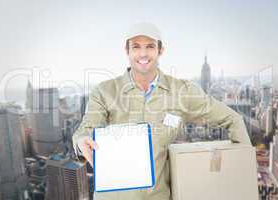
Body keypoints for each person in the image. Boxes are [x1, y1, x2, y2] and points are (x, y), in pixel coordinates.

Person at [73, 22, 252, 200]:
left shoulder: (182, 91)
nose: (143, 53)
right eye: (136, 47)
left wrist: (243, 168)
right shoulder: (104, 91)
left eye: (150, 46)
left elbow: (232, 118)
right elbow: (87, 127)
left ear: (160, 50)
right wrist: (82, 140)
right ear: (127, 51)